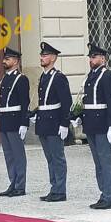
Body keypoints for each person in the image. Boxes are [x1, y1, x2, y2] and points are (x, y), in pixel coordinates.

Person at [79, 43, 111, 209]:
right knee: (98, 162)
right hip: (91, 124)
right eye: (90, 57)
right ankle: (103, 193)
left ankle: (109, 197)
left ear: (103, 58)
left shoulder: (107, 75)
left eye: (94, 57)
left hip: (102, 124)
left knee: (105, 161)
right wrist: (80, 116)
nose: (91, 59)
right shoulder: (91, 76)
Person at [34, 42, 72, 202]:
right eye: (42, 55)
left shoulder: (59, 77)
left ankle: (60, 190)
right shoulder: (44, 76)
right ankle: (54, 187)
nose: (42, 57)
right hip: (44, 122)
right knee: (50, 158)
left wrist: (64, 124)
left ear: (53, 58)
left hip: (54, 122)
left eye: (45, 55)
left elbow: (66, 102)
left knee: (57, 158)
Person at [0, 46, 30, 197]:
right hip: (5, 121)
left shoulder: (21, 79)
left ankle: (20, 185)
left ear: (16, 61)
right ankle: (12, 183)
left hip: (15, 122)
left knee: (18, 155)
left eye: (7, 59)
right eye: (4, 58)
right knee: (9, 155)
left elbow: (24, 103)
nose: (4, 61)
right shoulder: (5, 78)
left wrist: (24, 123)